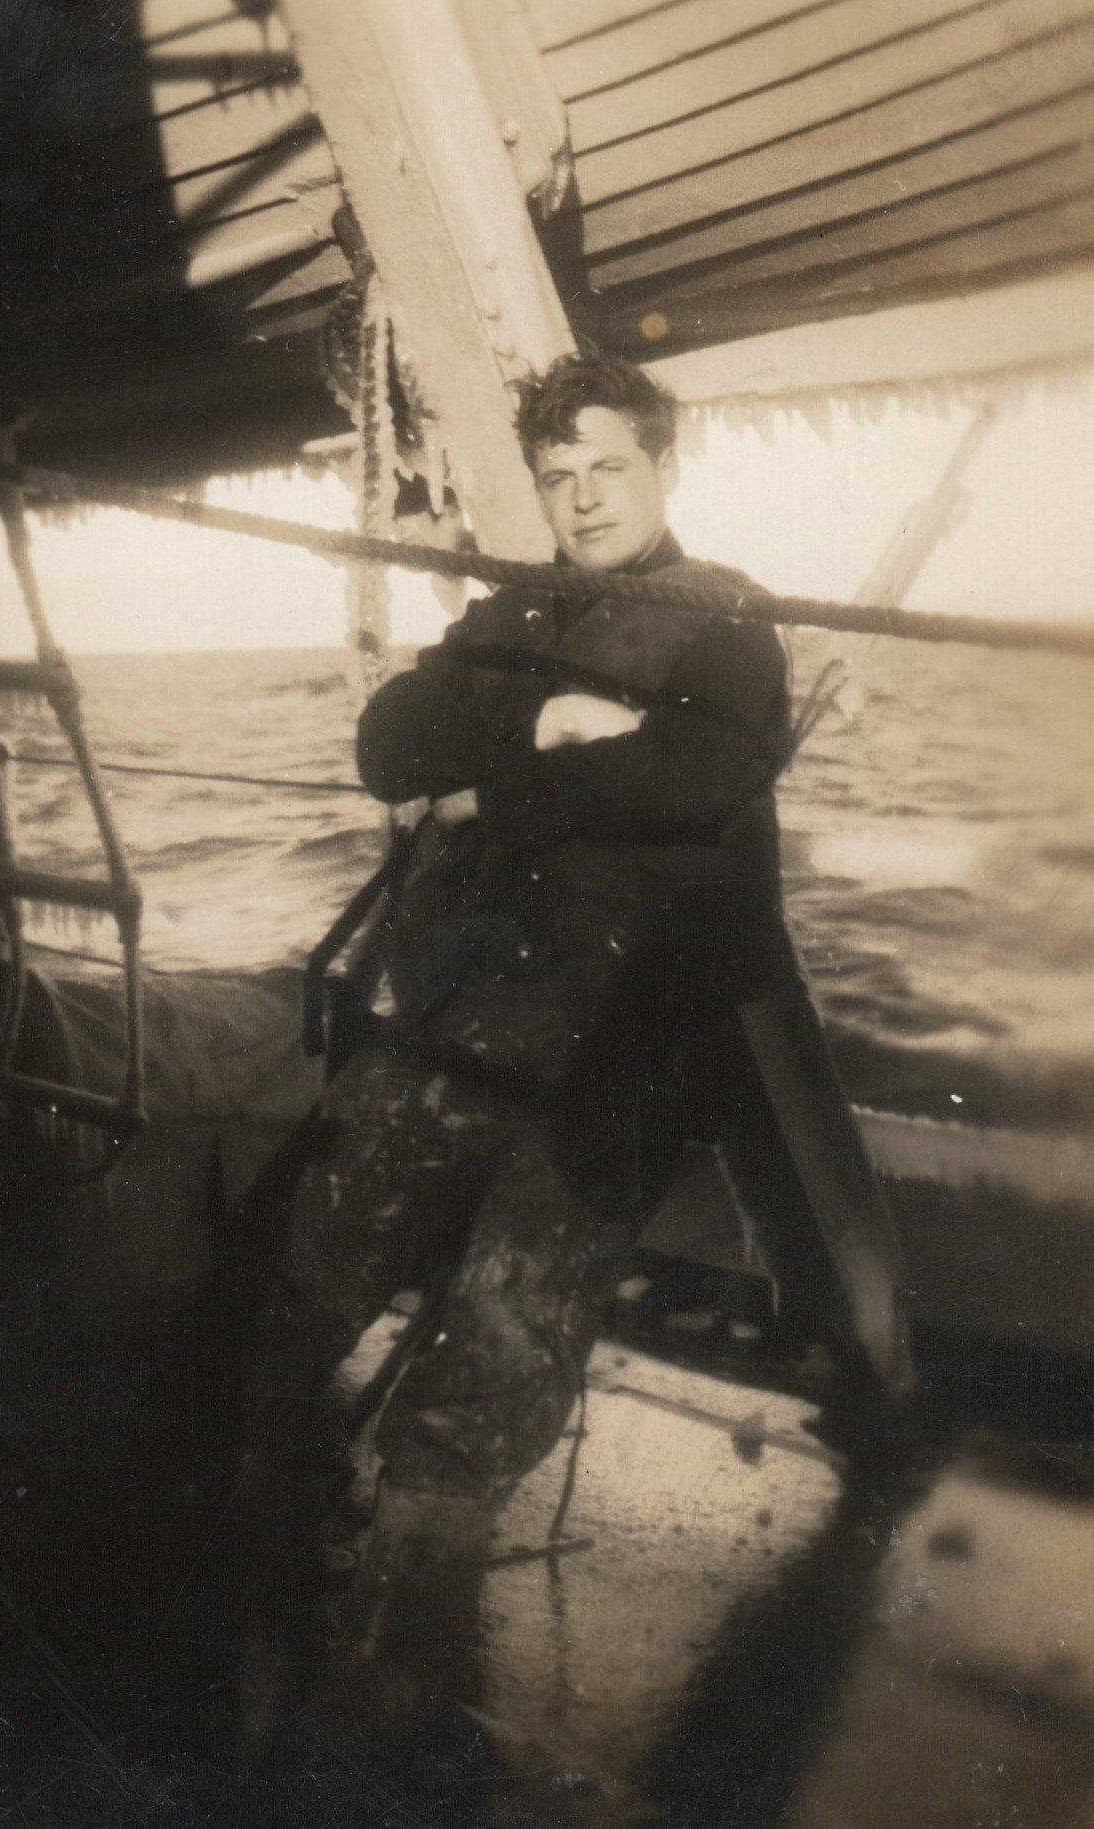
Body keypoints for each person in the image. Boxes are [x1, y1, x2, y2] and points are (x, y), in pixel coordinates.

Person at [240, 351, 909, 1735]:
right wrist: (546, 720)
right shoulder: (512, 613)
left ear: (662, 466)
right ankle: (253, 1575)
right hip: (464, 1020)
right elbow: (387, 741)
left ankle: (399, 1672)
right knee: (305, 1269)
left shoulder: (729, 619)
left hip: (624, 1040)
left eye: (610, 466)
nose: (586, 496)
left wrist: (494, 794)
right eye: (559, 476)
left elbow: (695, 776)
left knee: (502, 1339)